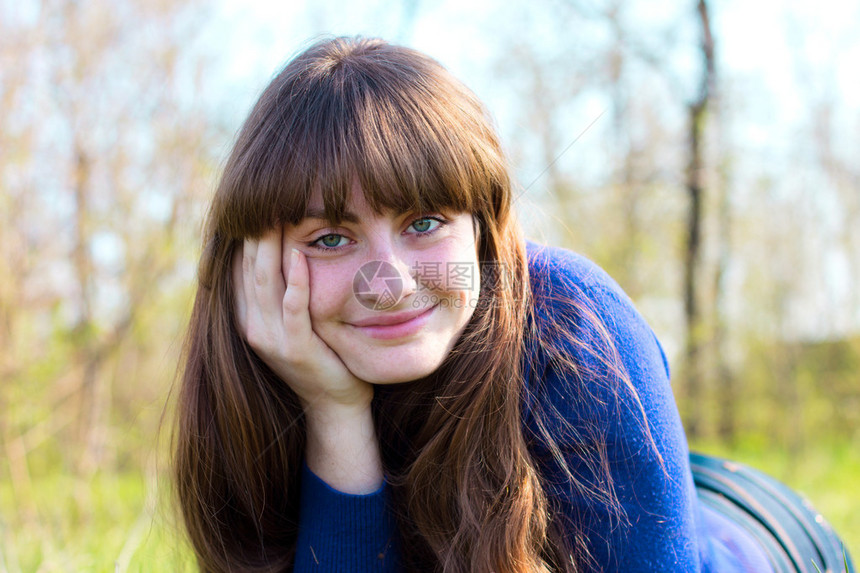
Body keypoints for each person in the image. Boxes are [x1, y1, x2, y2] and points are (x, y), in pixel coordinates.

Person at [174, 37, 853, 573]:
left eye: (424, 223)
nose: (391, 282)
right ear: (256, 264)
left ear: (482, 225)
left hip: (767, 540)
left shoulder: (575, 330)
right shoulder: (250, 380)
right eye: (330, 238)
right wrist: (335, 417)